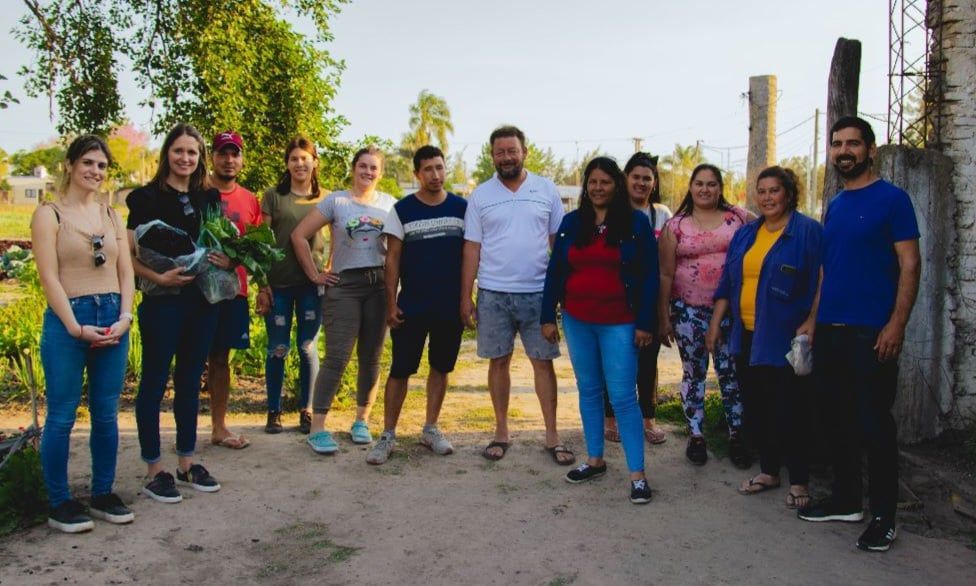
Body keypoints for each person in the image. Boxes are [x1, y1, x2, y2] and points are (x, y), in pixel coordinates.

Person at [797, 116, 920, 553]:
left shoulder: (893, 200)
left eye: (852, 143)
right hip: (831, 329)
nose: (843, 150)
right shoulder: (835, 204)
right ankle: (847, 499)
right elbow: (828, 270)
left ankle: (885, 516)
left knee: (874, 424)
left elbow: (909, 264)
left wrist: (896, 325)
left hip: (872, 332)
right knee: (834, 418)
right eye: (837, 144)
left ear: (870, 149)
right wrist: (813, 320)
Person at [32, 135, 135, 532]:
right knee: (61, 416)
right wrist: (76, 328)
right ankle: (59, 502)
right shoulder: (49, 214)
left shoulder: (112, 216)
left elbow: (125, 272)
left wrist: (125, 317)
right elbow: (48, 277)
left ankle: (103, 493)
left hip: (112, 317)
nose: (95, 171)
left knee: (107, 413)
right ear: (71, 165)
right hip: (68, 321)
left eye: (102, 166)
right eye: (88, 163)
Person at [541, 157, 658, 504]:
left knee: (623, 397)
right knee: (589, 390)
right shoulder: (572, 223)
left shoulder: (636, 223)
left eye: (605, 181)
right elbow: (555, 270)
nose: (597, 187)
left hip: (620, 323)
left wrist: (646, 323)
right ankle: (594, 460)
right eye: (592, 181)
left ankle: (637, 474)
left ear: (616, 185)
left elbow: (650, 276)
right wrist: (548, 315)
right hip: (578, 320)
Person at [707, 166, 822, 510]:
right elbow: (728, 282)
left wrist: (813, 321)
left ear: (788, 194)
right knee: (757, 408)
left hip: (784, 337)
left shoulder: (807, 231)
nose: (768, 197)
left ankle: (799, 481)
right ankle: (770, 471)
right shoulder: (747, 234)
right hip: (746, 336)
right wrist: (715, 324)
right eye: (762, 191)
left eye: (775, 191)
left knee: (790, 410)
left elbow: (822, 278)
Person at [461, 125, 574, 465]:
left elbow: (559, 243)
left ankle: (552, 435)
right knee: (499, 362)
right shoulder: (480, 195)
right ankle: (501, 432)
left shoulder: (546, 189)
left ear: (525, 151)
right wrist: (466, 296)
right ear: (492, 155)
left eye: (512, 150)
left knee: (543, 363)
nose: (506, 157)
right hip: (493, 293)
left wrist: (562, 291)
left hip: (538, 294)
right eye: (500, 152)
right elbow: (472, 248)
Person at [127, 123, 228, 503]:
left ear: (200, 157)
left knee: (189, 380)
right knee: (154, 380)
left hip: (201, 302)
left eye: (192, 152)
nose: (185, 158)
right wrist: (159, 276)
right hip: (162, 300)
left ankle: (187, 462)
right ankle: (155, 469)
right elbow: (129, 255)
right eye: (178, 151)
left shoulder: (209, 198)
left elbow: (221, 243)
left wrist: (225, 256)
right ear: (166, 153)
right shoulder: (145, 198)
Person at [292, 146, 396, 454]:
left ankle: (361, 420)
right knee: (337, 357)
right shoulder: (336, 201)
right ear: (354, 168)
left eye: (373, 167)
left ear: (380, 172)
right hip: (343, 286)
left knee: (372, 357)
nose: (368, 172)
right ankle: (318, 428)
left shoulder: (390, 205)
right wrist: (314, 274)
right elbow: (299, 235)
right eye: (363, 166)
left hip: (378, 285)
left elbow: (398, 248)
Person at [366, 145, 466, 465]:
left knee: (441, 367)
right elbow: (392, 259)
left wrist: (468, 299)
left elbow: (471, 256)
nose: (435, 175)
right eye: (428, 170)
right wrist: (390, 302)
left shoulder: (462, 208)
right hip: (412, 305)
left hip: (449, 306)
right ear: (417, 174)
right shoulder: (403, 209)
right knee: (401, 369)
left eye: (439, 168)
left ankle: (430, 429)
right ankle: (387, 435)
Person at [658, 163, 751, 467]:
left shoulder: (736, 218)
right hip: (687, 311)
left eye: (711, 184)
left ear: (721, 188)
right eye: (699, 183)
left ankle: (737, 435)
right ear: (691, 187)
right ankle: (696, 435)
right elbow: (666, 274)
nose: (705, 189)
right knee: (693, 373)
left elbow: (767, 227)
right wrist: (664, 316)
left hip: (730, 313)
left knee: (731, 374)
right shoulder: (676, 226)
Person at [258, 136, 327, 434]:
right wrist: (262, 283)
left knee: (307, 347)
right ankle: (273, 411)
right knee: (278, 347)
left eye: (305, 158)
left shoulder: (326, 197)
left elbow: (340, 235)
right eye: (294, 158)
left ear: (315, 162)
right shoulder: (273, 196)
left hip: (313, 287)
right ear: (287, 164)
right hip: (279, 284)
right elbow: (260, 241)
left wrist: (331, 267)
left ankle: (307, 410)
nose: (300, 163)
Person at [604, 152, 672, 446]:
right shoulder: (609, 212)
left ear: (654, 182)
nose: (641, 183)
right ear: (625, 179)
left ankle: (648, 418)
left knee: (648, 361)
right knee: (614, 360)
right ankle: (611, 418)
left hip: (650, 298)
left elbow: (666, 265)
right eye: (636, 177)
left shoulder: (662, 215)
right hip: (616, 299)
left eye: (647, 178)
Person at [206, 131, 260, 449]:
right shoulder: (197, 192)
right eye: (223, 153)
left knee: (220, 358)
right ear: (212, 157)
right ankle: (181, 429)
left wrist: (234, 259)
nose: (229, 160)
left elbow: (255, 246)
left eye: (234, 154)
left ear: (241, 159)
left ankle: (218, 426)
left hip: (233, 291)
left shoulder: (249, 199)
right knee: (188, 356)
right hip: (196, 289)